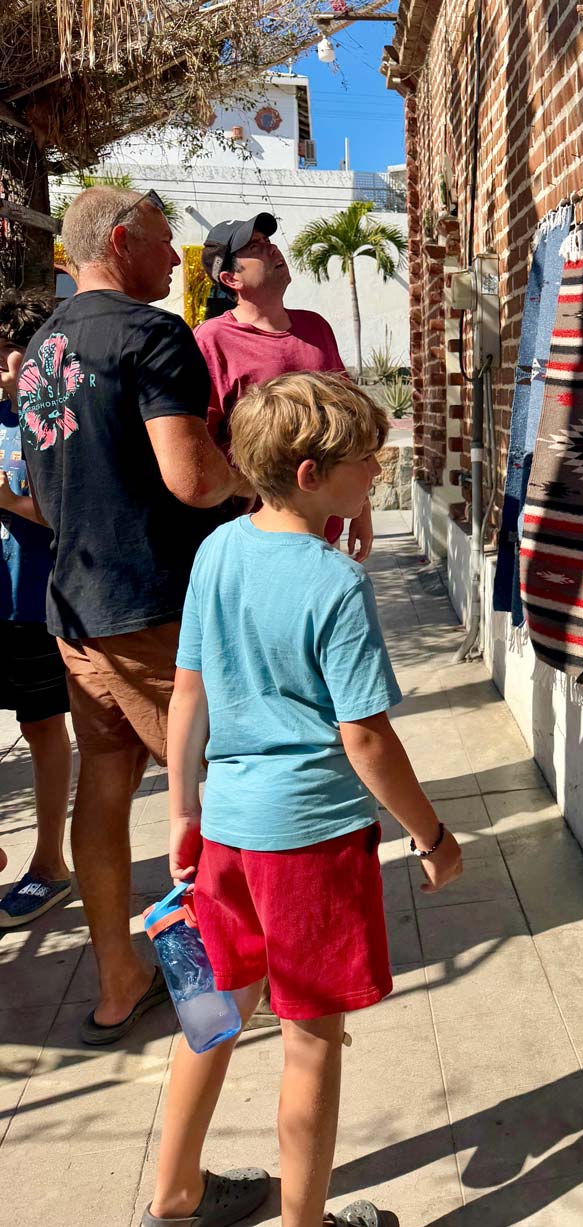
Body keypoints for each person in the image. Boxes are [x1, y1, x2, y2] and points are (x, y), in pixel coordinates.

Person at [142, 371, 462, 1227]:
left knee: (212, 1016)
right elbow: (365, 739)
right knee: (311, 1040)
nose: (379, 473)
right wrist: (430, 834)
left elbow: (187, 696)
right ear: (313, 473)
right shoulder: (335, 583)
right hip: (312, 842)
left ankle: (173, 1192)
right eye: (367, 461)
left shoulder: (217, 550)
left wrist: (183, 812)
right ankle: (303, 1222)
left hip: (228, 837)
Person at [19, 186, 253, 1044]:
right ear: (120, 242)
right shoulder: (154, 336)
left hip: (75, 608)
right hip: (154, 608)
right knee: (224, 783)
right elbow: (191, 477)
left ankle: (121, 979)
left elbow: (37, 498)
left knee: (106, 786)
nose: (174, 259)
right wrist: (251, 477)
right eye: (162, 243)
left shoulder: (41, 350)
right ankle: (230, 970)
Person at [194, 213, 375, 561]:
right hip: (257, 539)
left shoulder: (316, 327)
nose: (272, 248)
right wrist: (240, 483)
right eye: (255, 247)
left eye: (269, 241)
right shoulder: (212, 339)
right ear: (231, 278)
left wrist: (362, 507)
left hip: (325, 531)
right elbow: (202, 437)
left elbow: (350, 425)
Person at [0, 290, 73, 927]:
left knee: (45, 728)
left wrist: (7, 498)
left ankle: (49, 865)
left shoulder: (49, 421)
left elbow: (72, 516)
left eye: (9, 354)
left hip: (33, 605)